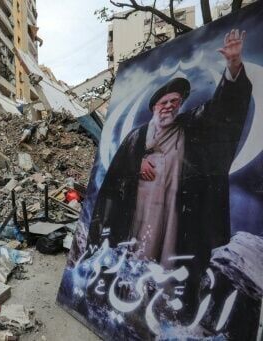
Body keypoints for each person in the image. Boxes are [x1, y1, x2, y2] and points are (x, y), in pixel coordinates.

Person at [87, 29, 252, 280]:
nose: (169, 106)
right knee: (134, 263)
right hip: (137, 215)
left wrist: (233, 66)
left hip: (176, 218)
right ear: (154, 107)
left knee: (167, 268)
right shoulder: (135, 139)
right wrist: (136, 166)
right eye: (164, 102)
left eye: (175, 101)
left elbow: (222, 109)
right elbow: (114, 178)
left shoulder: (191, 126)